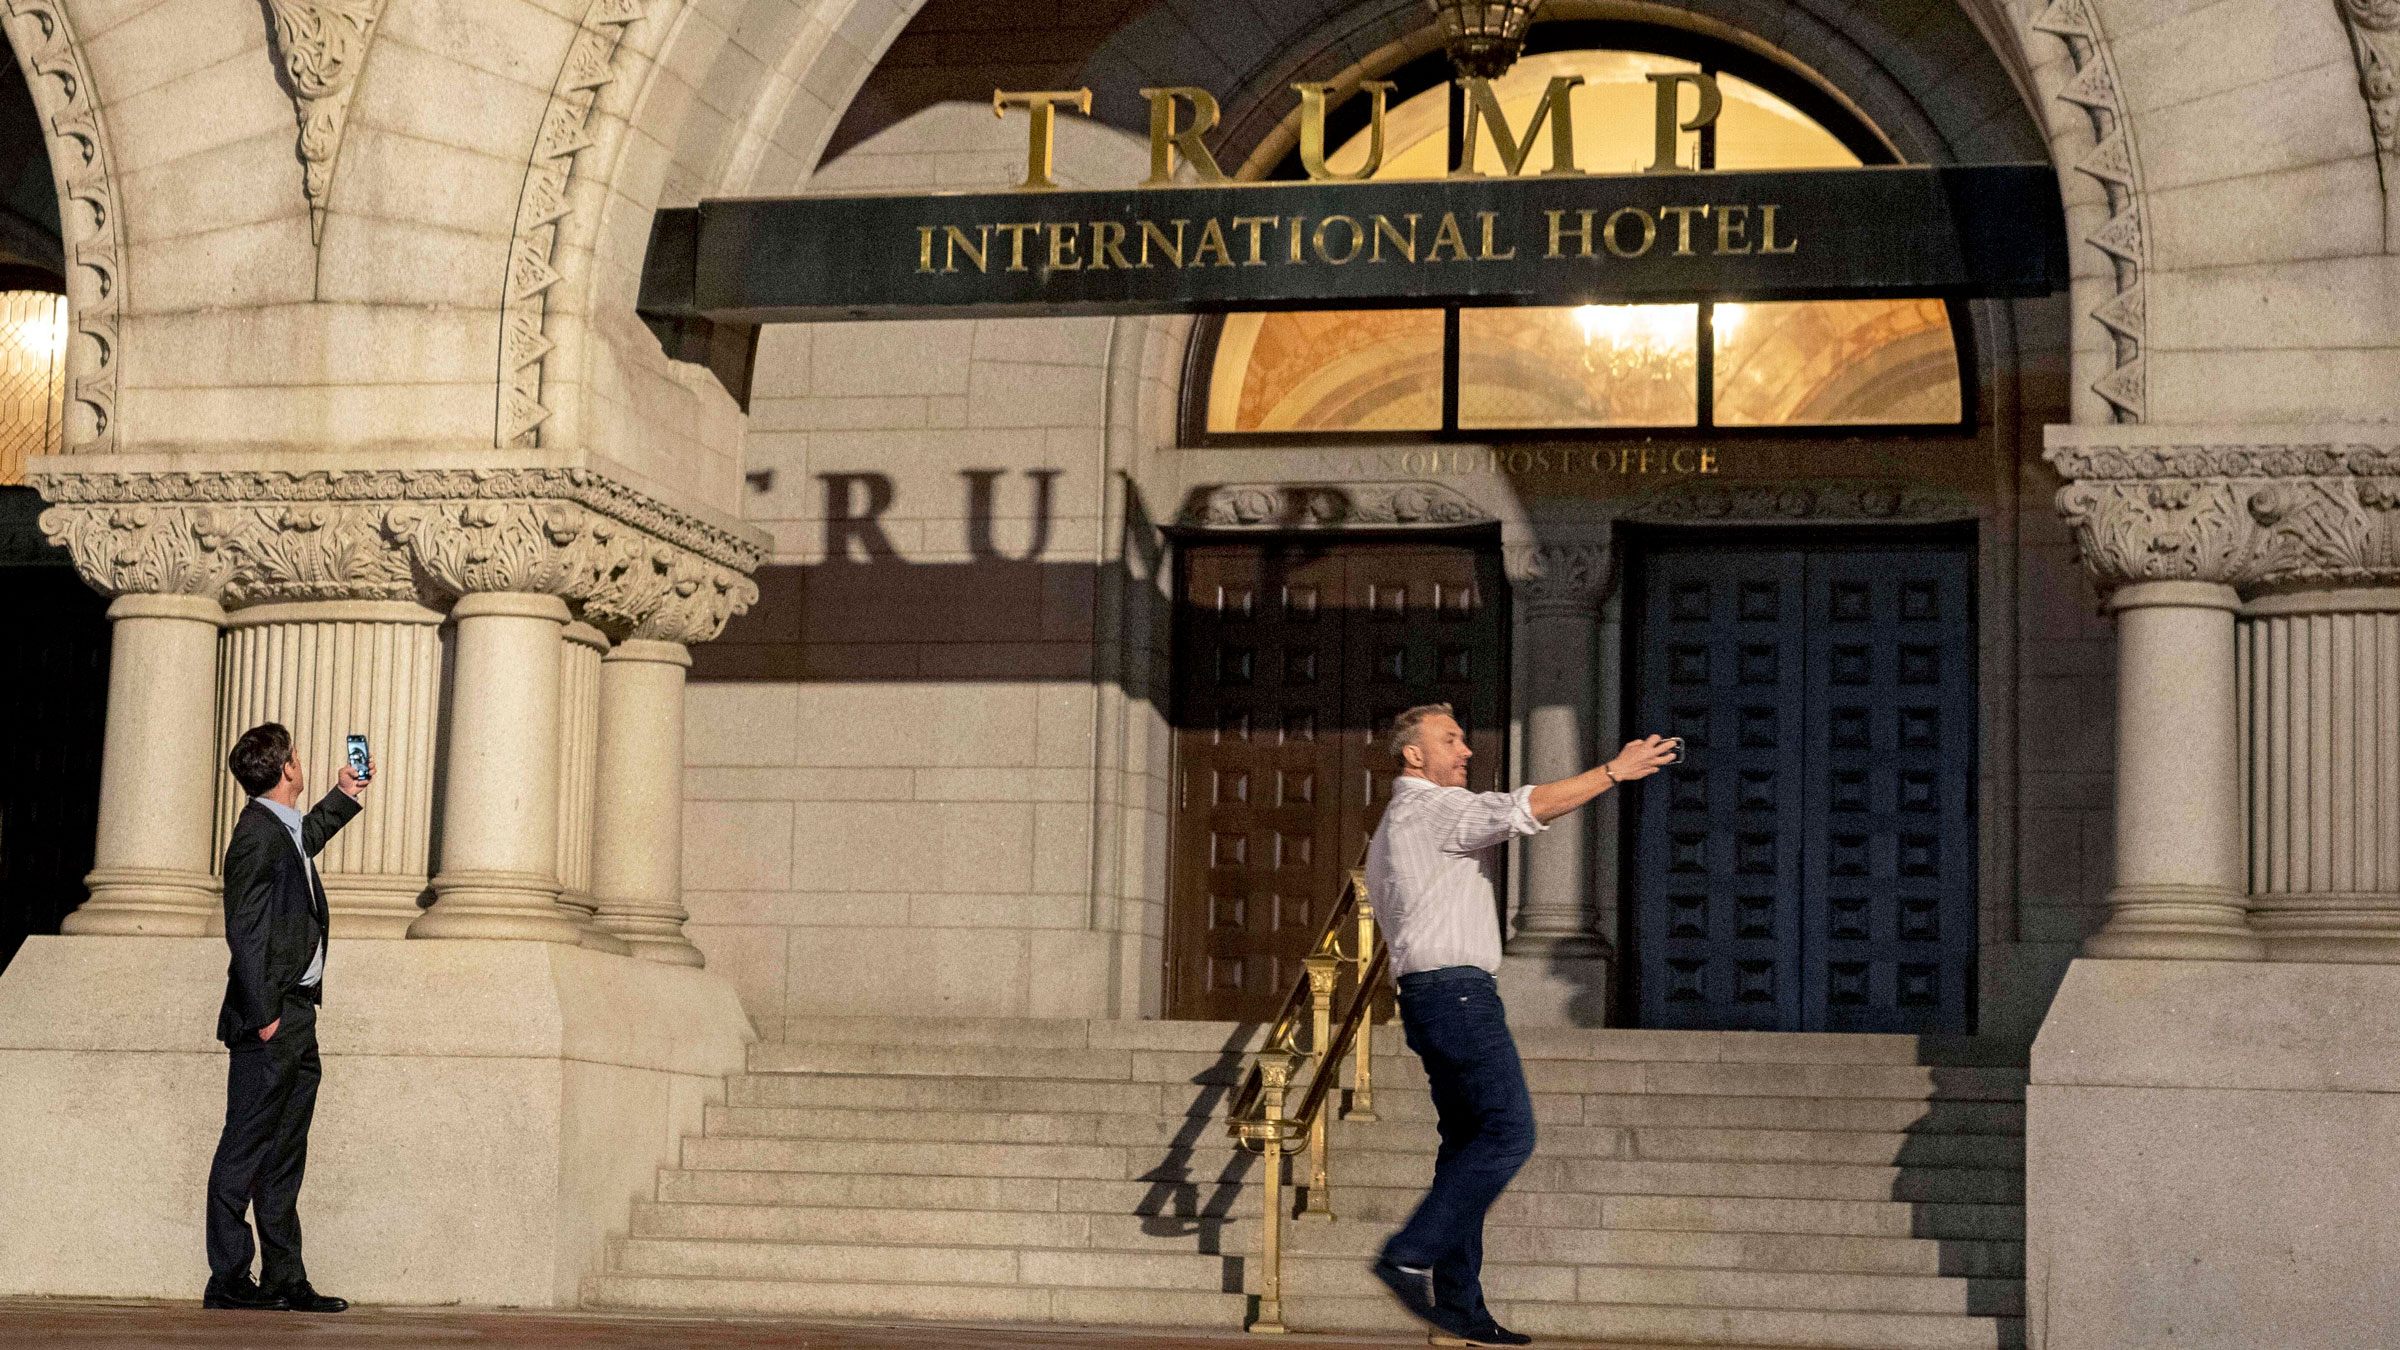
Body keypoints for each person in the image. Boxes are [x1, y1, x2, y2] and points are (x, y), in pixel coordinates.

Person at [1366, 703, 1675, 1347]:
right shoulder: (1431, 809)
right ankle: (1407, 1254)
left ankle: (1459, 1306)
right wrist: (1613, 772)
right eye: (1449, 739)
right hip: (1455, 997)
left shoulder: (1397, 821)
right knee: (1508, 1133)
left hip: (1430, 997)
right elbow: (1521, 809)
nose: (1467, 749)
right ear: (1413, 756)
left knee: (1465, 1149)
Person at [200, 722, 371, 1314]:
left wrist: (344, 795)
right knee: (244, 1149)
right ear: (285, 770)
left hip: (298, 1013)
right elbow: (242, 929)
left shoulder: (280, 829)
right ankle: (228, 1278)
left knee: (284, 1152)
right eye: (297, 756)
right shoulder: (254, 835)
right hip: (271, 1018)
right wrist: (266, 1014)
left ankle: (284, 1278)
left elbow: (306, 843)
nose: (302, 761)